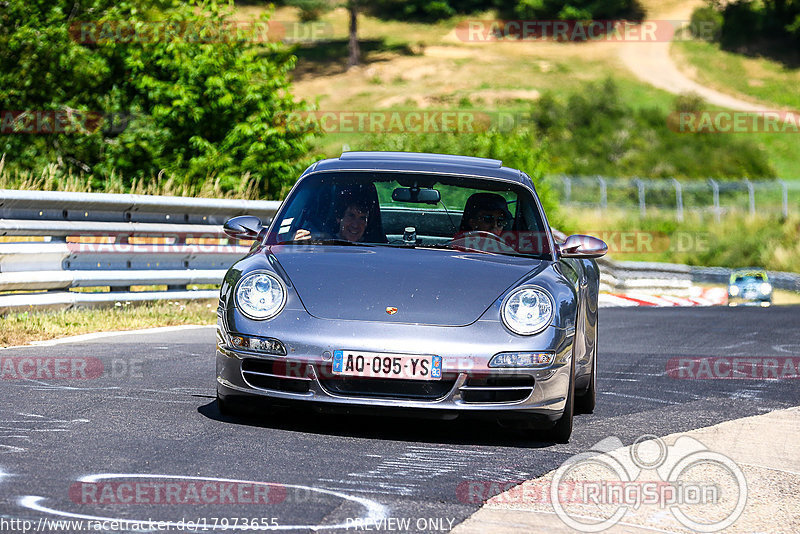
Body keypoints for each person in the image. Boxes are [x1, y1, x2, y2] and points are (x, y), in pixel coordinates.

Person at [293, 185, 385, 243]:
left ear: (366, 223)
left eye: (362, 218)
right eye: (351, 216)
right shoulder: (321, 243)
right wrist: (296, 243)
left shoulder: (376, 247)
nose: (355, 224)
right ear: (339, 218)